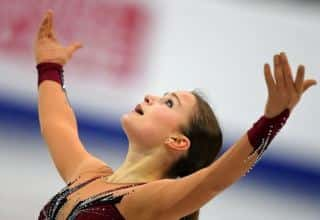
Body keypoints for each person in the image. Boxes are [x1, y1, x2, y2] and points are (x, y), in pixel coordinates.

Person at [35, 10, 317, 220]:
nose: (149, 97)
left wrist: (273, 119)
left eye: (168, 103)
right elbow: (57, 125)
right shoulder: (89, 174)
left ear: (177, 141)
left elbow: (213, 180)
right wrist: (49, 66)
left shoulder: (148, 200)